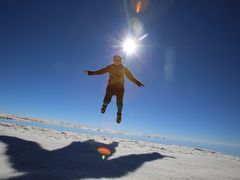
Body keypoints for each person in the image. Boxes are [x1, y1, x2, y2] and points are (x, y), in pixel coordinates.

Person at [85, 55, 144, 124]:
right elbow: (101, 71)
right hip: (110, 87)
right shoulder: (110, 67)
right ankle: (104, 106)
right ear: (113, 61)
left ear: (121, 61)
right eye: (116, 60)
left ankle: (119, 115)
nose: (117, 61)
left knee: (119, 104)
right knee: (106, 100)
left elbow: (130, 77)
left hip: (120, 89)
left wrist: (137, 82)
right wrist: (91, 73)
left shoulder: (124, 68)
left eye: (119, 60)